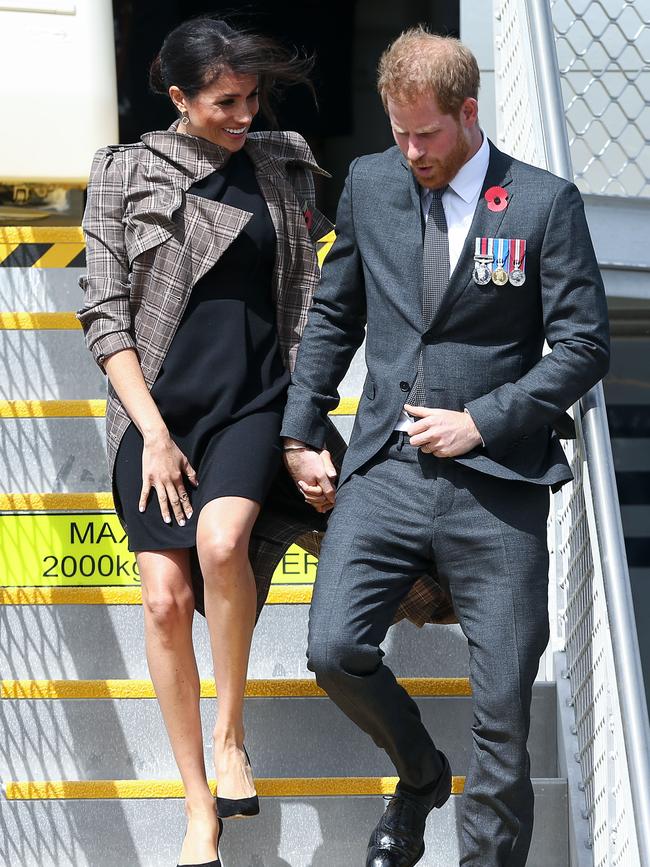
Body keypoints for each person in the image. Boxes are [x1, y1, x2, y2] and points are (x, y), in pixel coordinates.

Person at [281, 27, 610, 867]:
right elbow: (335, 312)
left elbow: (581, 347)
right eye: (398, 131)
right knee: (333, 648)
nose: (411, 149)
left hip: (498, 483)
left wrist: (483, 419)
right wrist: (299, 426)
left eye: (425, 133)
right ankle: (420, 773)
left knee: (502, 708)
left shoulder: (543, 202)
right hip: (385, 469)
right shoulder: (371, 181)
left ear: (469, 113)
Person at [77, 16, 338, 867]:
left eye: (252, 97)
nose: (244, 114)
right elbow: (104, 313)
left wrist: (304, 420)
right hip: (154, 412)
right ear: (177, 96)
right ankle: (198, 808)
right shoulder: (123, 173)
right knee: (163, 600)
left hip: (252, 396)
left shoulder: (280, 159)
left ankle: (230, 738)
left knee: (224, 541)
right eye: (225, 101)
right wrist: (152, 433)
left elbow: (307, 292)